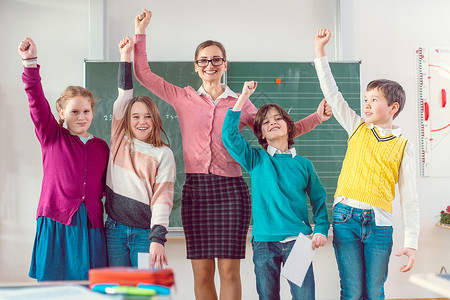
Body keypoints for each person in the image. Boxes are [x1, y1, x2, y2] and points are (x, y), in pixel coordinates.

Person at [133, 9, 327, 300]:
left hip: (231, 192)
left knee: (228, 271)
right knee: (201, 272)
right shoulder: (182, 96)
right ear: (196, 67)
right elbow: (143, 74)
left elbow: (277, 132)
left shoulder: (242, 104)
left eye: (216, 59)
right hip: (196, 191)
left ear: (225, 64)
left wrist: (316, 118)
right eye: (203, 60)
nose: (210, 65)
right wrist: (141, 32)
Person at [314, 28, 420, 299]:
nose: (367, 105)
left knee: (374, 291)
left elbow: (410, 200)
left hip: (380, 225)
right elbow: (333, 93)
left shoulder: (403, 147)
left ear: (393, 107)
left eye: (375, 100)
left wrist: (411, 243)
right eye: (366, 100)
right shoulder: (357, 128)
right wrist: (320, 51)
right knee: (351, 291)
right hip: (345, 218)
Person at [222, 81, 331, 300]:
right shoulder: (256, 160)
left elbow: (319, 200)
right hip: (264, 242)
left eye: (278, 118)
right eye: (266, 122)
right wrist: (242, 97)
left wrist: (320, 229)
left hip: (298, 241)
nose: (272, 123)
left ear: (289, 126)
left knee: (304, 297)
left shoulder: (304, 165)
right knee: (268, 297)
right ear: (261, 134)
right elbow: (229, 136)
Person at [18, 37, 109, 281]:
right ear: (61, 113)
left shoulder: (102, 147)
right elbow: (36, 102)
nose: (81, 117)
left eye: (86, 111)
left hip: (91, 227)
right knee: (55, 289)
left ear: (93, 112)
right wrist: (30, 63)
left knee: (90, 289)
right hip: (57, 223)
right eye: (74, 112)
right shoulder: (52, 136)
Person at [105, 37, 176, 268]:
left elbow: (162, 200)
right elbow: (124, 95)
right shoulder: (119, 137)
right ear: (127, 119)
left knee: (143, 290)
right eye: (135, 116)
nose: (141, 121)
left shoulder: (163, 155)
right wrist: (125, 56)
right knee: (116, 288)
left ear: (155, 120)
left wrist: (158, 239)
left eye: (147, 116)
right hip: (114, 229)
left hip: (145, 235)